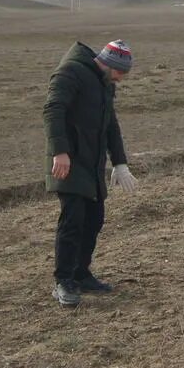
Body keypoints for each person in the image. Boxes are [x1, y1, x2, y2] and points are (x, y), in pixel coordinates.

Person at [43, 39, 139, 307]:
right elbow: (53, 111)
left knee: (94, 219)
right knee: (72, 221)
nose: (120, 79)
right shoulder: (70, 72)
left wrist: (120, 163)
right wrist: (59, 151)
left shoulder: (104, 83)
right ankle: (64, 282)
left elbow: (111, 125)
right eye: (120, 72)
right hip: (69, 161)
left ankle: (81, 274)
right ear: (109, 64)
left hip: (92, 162)